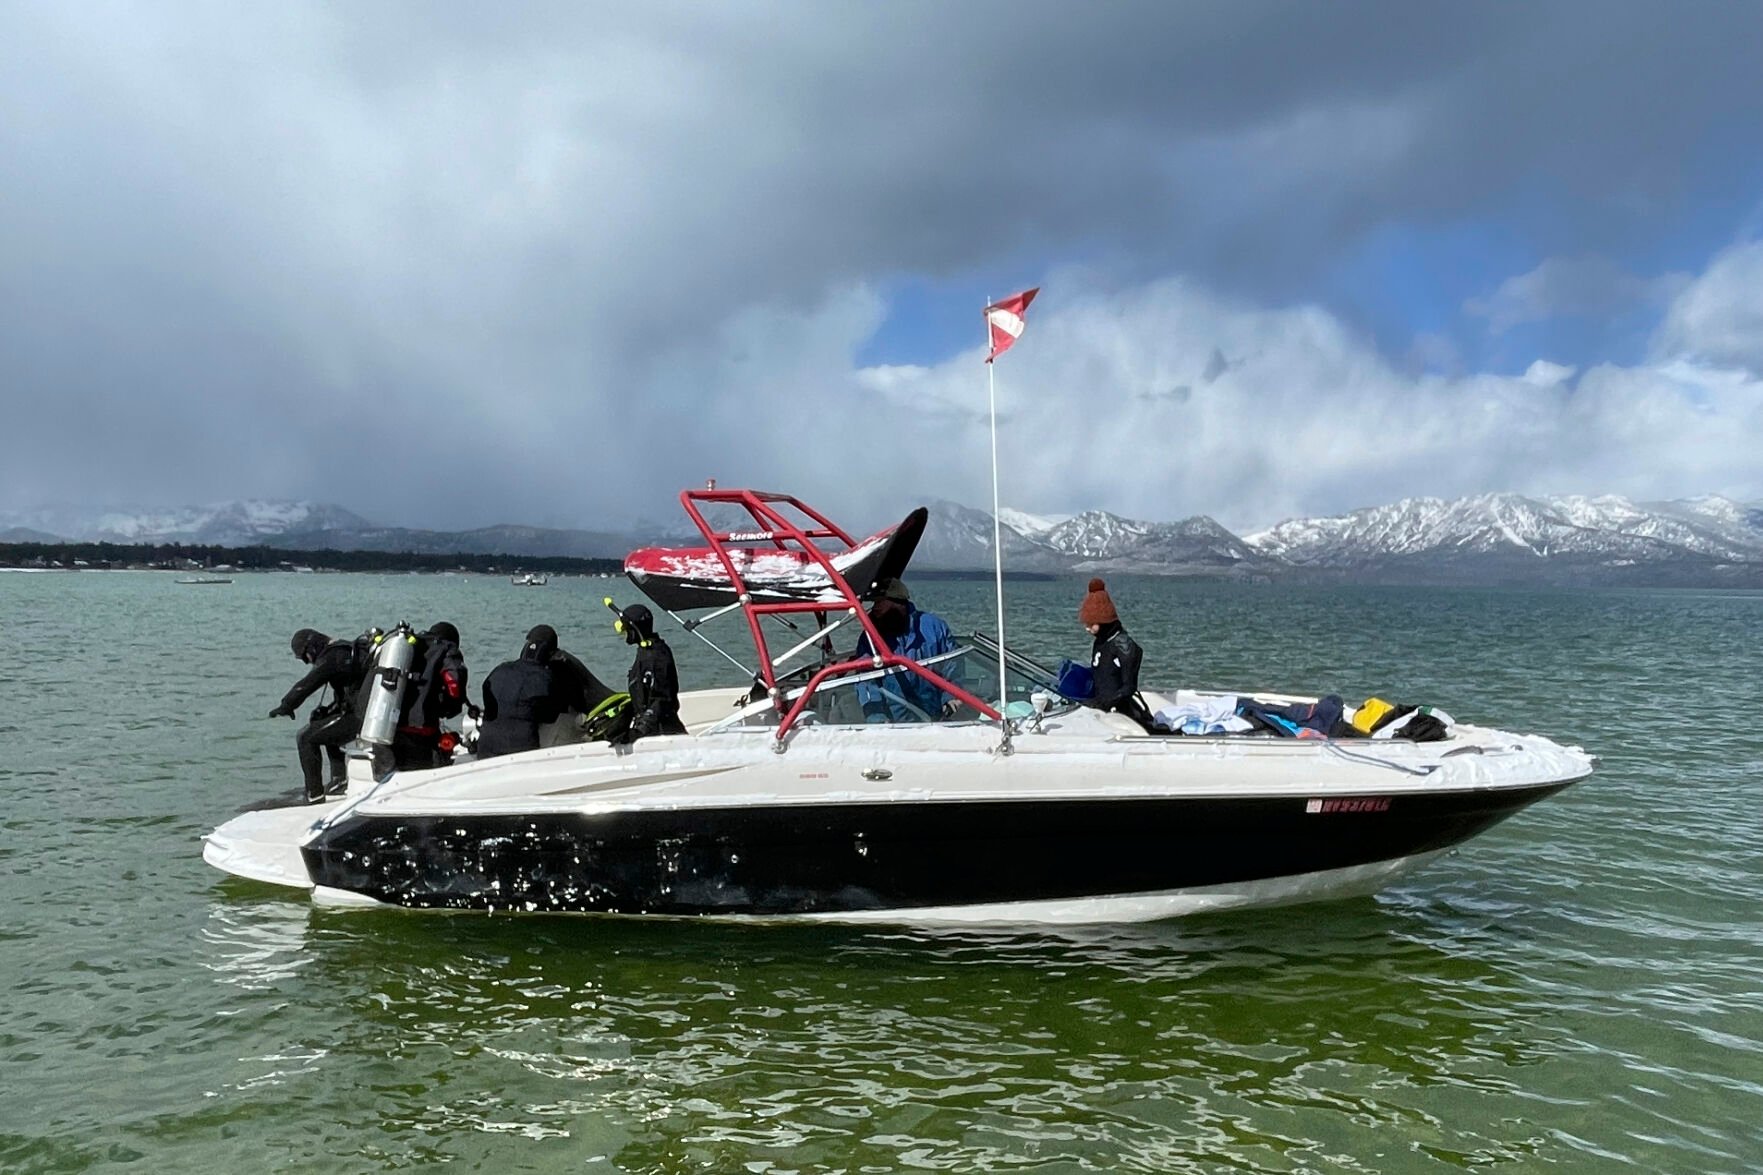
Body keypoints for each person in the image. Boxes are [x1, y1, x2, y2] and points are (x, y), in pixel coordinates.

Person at [269, 627, 369, 802]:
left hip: (360, 718)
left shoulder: (332, 657)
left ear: (312, 647)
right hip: (365, 713)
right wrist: (329, 709)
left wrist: (287, 705)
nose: (307, 662)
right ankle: (339, 780)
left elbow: (308, 683)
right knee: (323, 720)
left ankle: (314, 795)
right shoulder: (343, 650)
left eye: (305, 657)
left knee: (305, 737)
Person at [853, 577, 963, 721]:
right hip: (893, 724)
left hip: (936, 719)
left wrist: (951, 698)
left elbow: (953, 666)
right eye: (874, 603)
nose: (875, 608)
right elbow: (865, 680)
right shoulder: (869, 637)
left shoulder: (935, 627)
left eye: (879, 602)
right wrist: (877, 717)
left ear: (897, 602)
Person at [1077, 578, 1157, 731]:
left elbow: (1129, 687)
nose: (1087, 628)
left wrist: (1104, 703)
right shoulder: (1101, 642)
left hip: (1120, 710)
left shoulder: (1123, 646)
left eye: (1091, 624)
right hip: (1103, 708)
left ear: (1103, 621)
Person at [476, 625, 565, 760]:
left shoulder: (499, 670)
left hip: (485, 750)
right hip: (523, 753)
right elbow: (551, 717)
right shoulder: (546, 678)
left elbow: (488, 700)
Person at [390, 621, 469, 769]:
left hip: (390, 729)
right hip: (422, 732)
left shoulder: (411, 647)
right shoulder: (446, 649)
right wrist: (448, 707)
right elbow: (454, 684)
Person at [615, 603, 685, 742]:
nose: (624, 632)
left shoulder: (657, 656)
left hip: (663, 733)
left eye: (626, 628)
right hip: (650, 729)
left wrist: (640, 730)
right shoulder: (645, 651)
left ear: (635, 630)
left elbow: (663, 699)